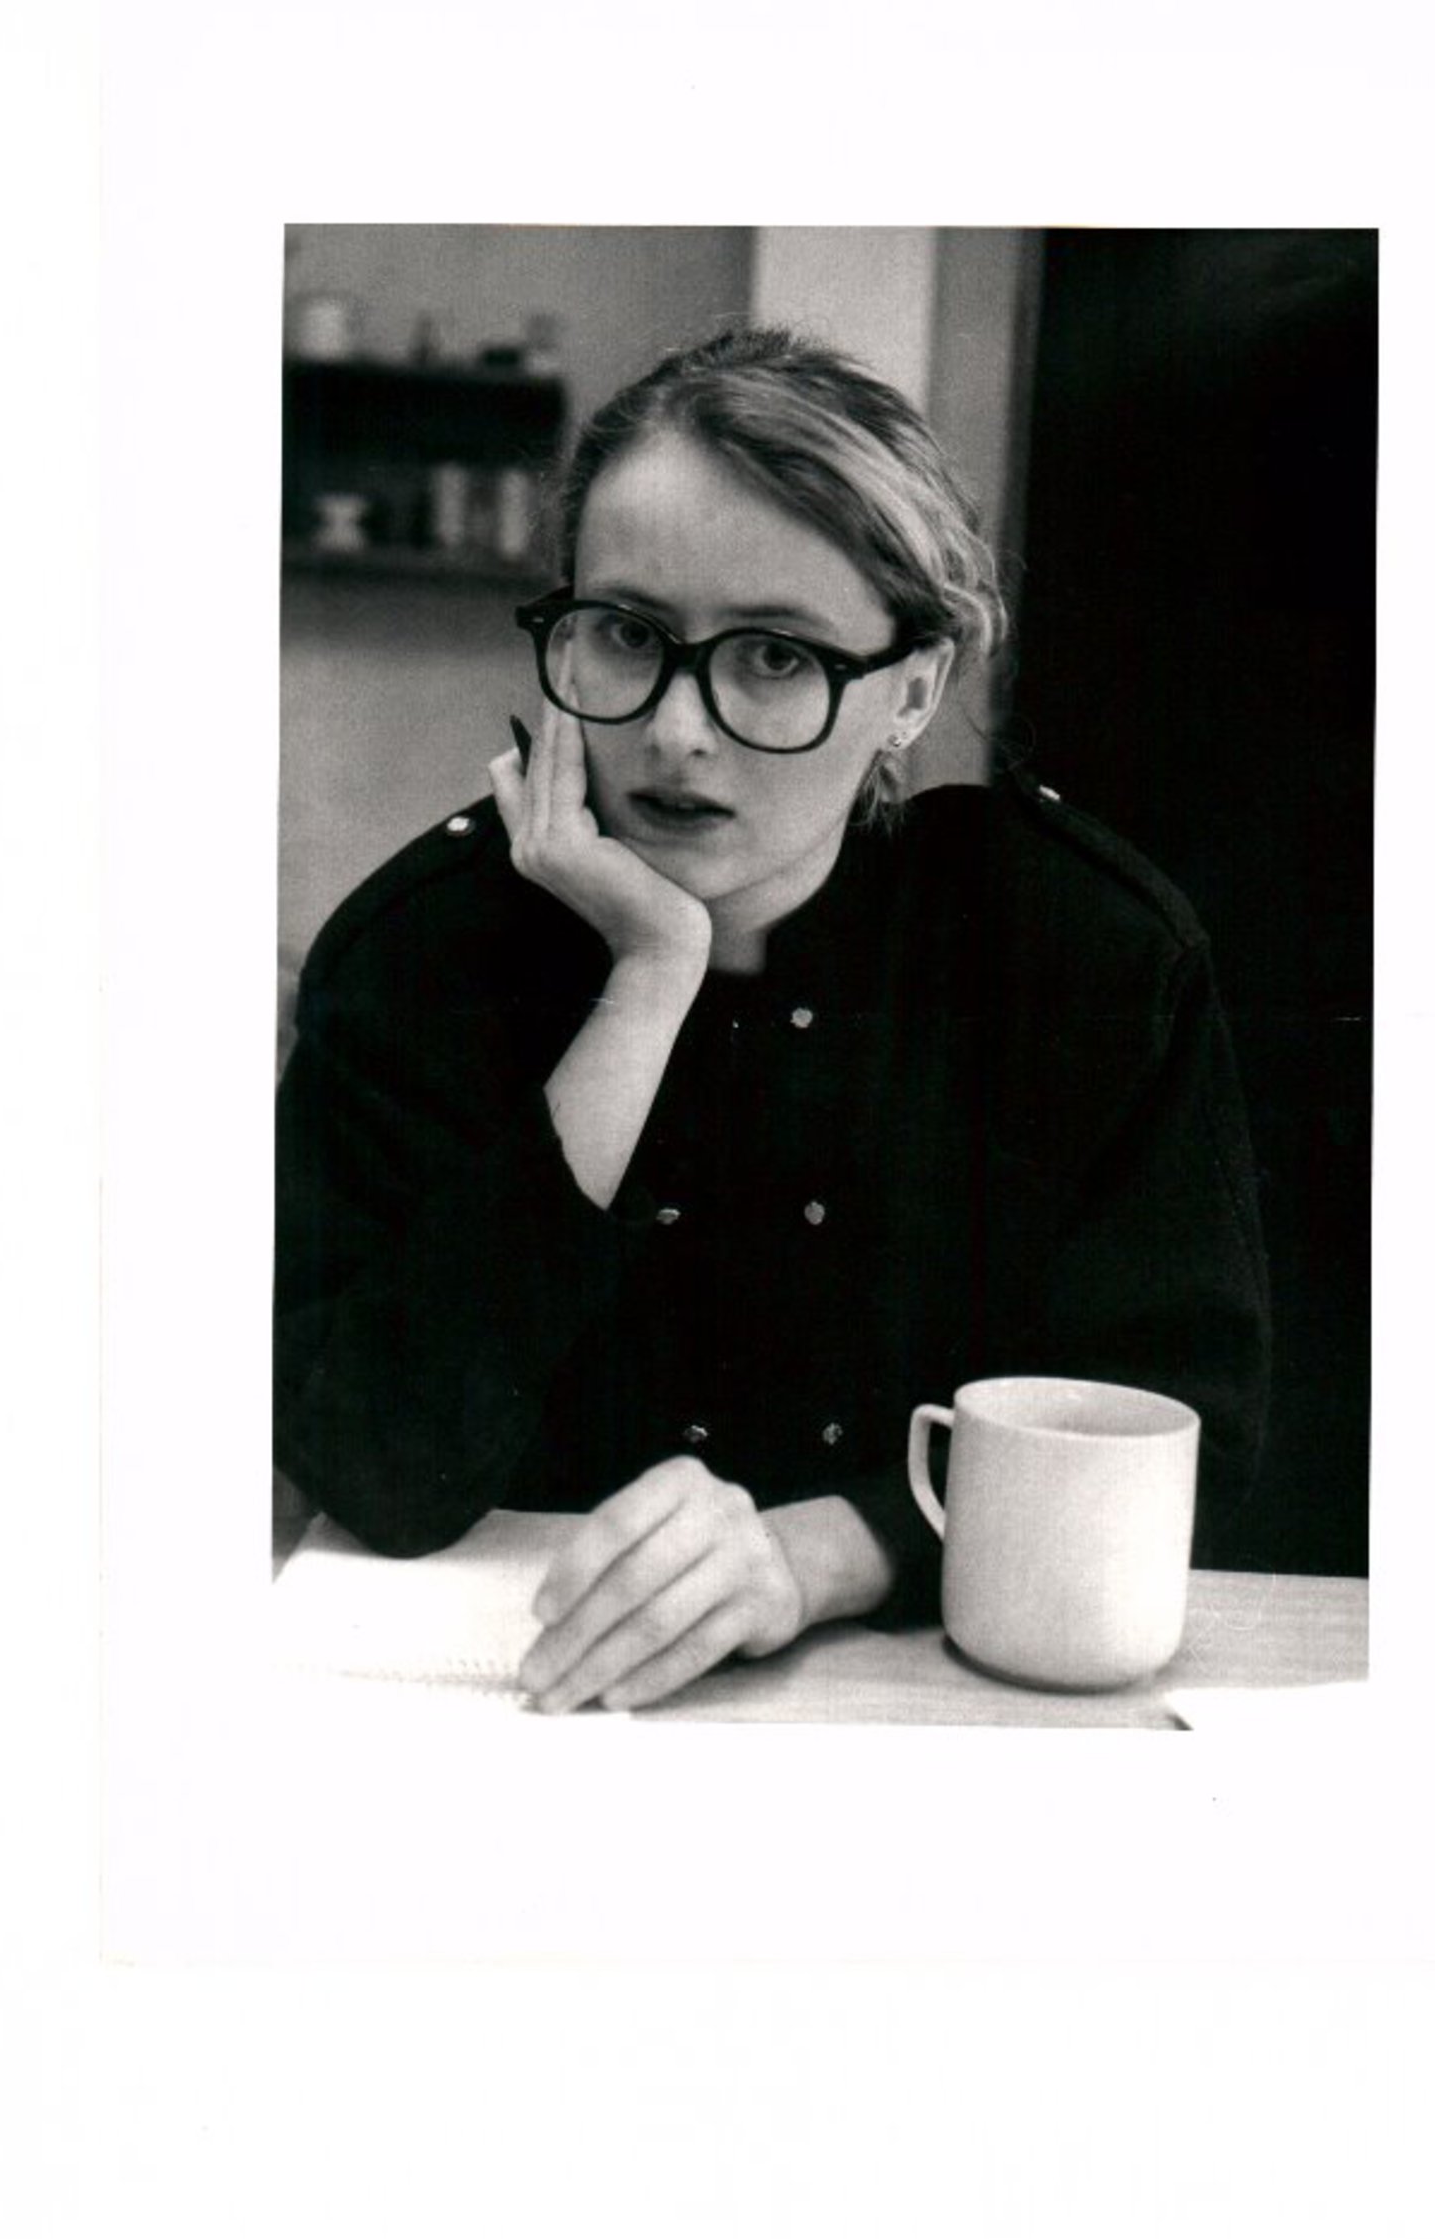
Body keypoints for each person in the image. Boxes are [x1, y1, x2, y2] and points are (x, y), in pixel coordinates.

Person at [274, 325, 1270, 1713]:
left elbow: (1183, 1439)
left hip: (944, 1716)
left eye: (777, 658)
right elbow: (373, 1462)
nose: (680, 731)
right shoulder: (417, 952)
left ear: (913, 689)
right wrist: (648, 979)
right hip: (506, 1709)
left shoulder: (1080, 955)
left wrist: (817, 1556)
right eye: (628, 635)